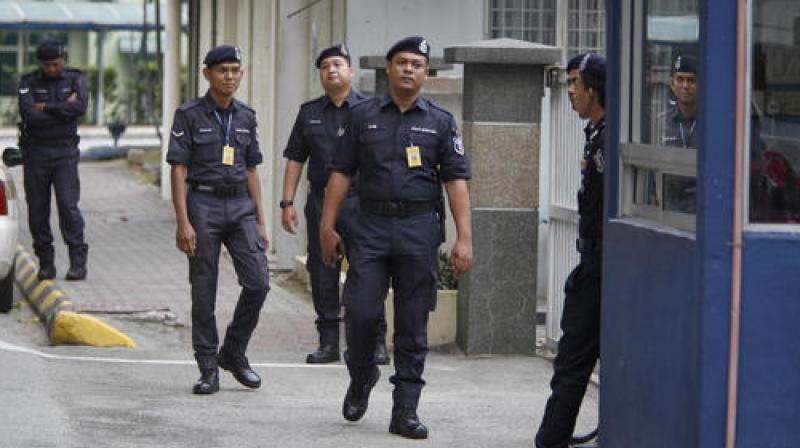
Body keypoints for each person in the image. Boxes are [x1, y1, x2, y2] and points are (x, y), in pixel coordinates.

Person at [320, 36, 473, 440]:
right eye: (402, 62)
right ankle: (362, 375)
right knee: (360, 313)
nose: (409, 69)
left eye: (418, 64)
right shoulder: (362, 116)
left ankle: (405, 409)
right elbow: (340, 173)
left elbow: (456, 181)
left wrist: (464, 238)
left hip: (418, 231)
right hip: (368, 228)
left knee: (412, 323)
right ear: (388, 68)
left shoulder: (441, 122)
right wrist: (327, 225)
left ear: (426, 72)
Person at [167, 45, 270, 395]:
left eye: (235, 70)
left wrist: (260, 220)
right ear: (207, 73)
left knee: (258, 282)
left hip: (241, 205)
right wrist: (183, 221)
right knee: (204, 290)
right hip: (204, 204)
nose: (229, 76)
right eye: (222, 70)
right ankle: (208, 367)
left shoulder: (246, 116)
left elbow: (253, 169)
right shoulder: (189, 114)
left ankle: (234, 352)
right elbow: (178, 170)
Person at [281, 44, 389, 365]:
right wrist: (287, 202)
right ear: (320, 74)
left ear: (351, 71)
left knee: (368, 271)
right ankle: (328, 342)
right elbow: (295, 159)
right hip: (320, 201)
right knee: (322, 271)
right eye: (325, 66)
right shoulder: (309, 112)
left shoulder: (371, 111)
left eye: (338, 64)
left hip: (361, 203)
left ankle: (376, 343)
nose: (332, 70)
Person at [535, 53, 606, 448]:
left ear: (593, 90)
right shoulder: (595, 134)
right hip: (592, 260)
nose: (571, 92)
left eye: (576, 84)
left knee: (575, 356)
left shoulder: (607, 139)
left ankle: (552, 437)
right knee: (575, 355)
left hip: (604, 264)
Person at [18, 38, 89, 281]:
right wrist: (61, 109)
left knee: (68, 206)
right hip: (36, 153)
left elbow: (79, 108)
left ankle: (78, 263)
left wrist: (45, 107)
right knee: (37, 209)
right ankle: (46, 263)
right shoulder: (28, 82)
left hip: (65, 153)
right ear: (40, 64)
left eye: (56, 64)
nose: (52, 69)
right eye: (47, 65)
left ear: (63, 60)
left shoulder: (75, 78)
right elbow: (29, 116)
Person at [660, 53, 697, 148]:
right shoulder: (661, 122)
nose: (685, 86)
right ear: (672, 84)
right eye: (680, 79)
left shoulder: (710, 123)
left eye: (691, 80)